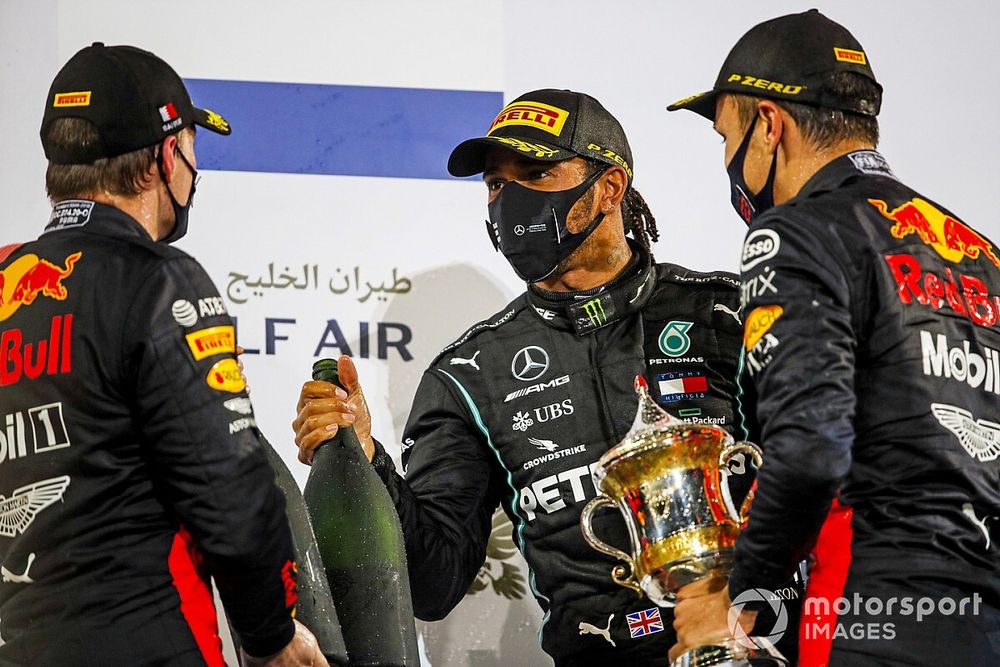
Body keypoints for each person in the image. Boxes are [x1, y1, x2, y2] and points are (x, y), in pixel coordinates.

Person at [293, 89, 781, 666]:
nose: (510, 199)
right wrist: (370, 460)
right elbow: (434, 582)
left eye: (536, 172)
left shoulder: (730, 313)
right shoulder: (469, 376)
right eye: (497, 184)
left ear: (610, 187)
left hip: (761, 645)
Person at [667, 10, 1000, 665]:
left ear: (769, 123)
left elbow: (812, 447)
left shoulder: (796, 232)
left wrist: (738, 591)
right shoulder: (979, 252)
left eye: (727, 136)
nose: (730, 161)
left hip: (873, 614)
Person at [0, 43, 327, 667]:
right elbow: (232, 491)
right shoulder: (157, 280)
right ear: (165, 156)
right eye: (193, 149)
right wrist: (271, 637)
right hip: (148, 643)